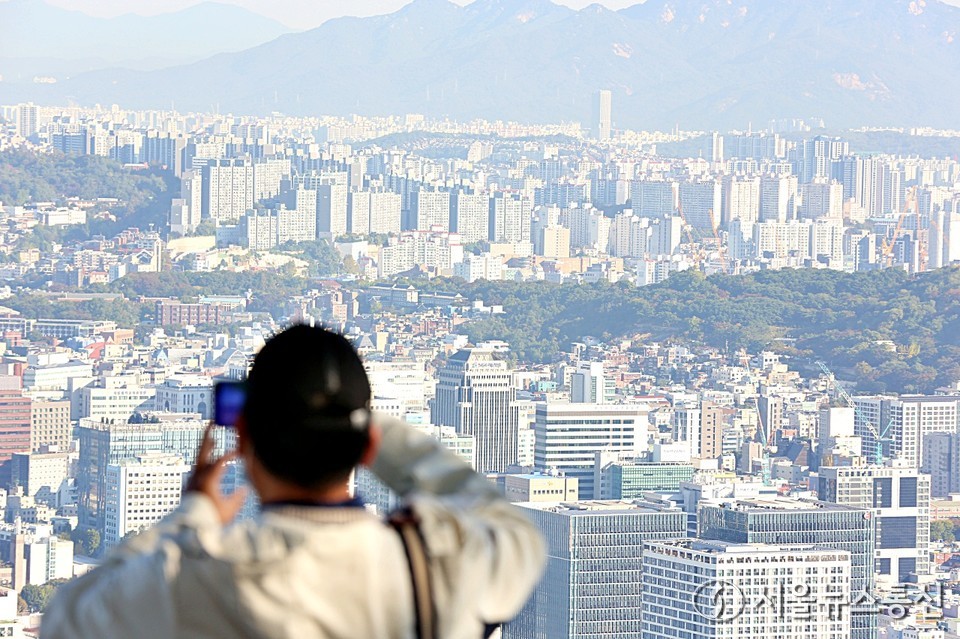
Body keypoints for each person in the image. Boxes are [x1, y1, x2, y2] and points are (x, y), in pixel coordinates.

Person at [42, 325, 546, 639]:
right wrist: (367, 422)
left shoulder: (200, 580)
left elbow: (67, 622)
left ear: (244, 438)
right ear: (367, 445)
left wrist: (190, 517)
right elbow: (513, 529)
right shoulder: (436, 566)